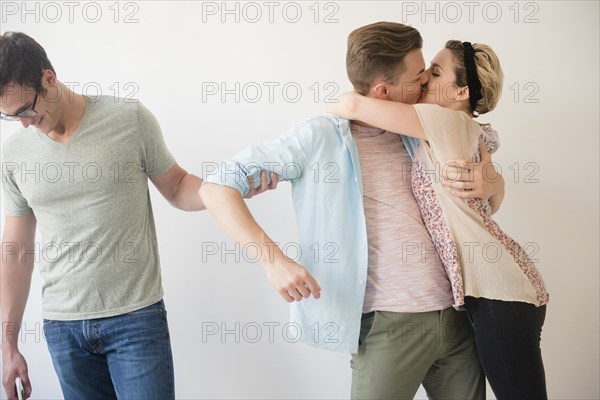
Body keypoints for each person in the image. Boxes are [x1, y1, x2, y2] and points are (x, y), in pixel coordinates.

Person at [200, 22, 506, 399]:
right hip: (389, 328)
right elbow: (216, 186)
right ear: (383, 91)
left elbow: (479, 199)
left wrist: (495, 184)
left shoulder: (421, 129)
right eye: (418, 74)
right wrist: (272, 260)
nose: (427, 79)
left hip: (459, 319)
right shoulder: (318, 137)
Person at [0, 32, 275, 400]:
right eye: (10, 117)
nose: (24, 123)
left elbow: (177, 186)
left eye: (26, 110)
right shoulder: (15, 154)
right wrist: (9, 343)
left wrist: (228, 188)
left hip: (135, 321)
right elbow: (17, 250)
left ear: (49, 78)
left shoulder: (128, 119)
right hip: (63, 330)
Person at [327, 40, 549, 399]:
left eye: (435, 71)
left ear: (461, 91)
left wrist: (323, 111)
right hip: (496, 292)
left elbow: (352, 104)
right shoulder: (456, 129)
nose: (424, 78)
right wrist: (494, 182)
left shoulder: (442, 121)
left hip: (501, 293)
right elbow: (489, 204)